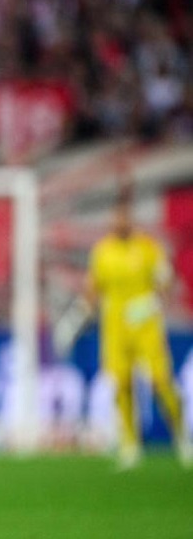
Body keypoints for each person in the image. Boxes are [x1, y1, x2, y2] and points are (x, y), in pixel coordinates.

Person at [85, 192, 192, 470]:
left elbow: (167, 281)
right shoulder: (103, 251)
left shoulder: (148, 248)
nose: (119, 221)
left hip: (146, 326)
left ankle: (181, 435)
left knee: (161, 381)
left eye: (124, 216)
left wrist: (154, 301)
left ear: (130, 219)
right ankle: (130, 445)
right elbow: (93, 288)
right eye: (116, 217)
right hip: (115, 328)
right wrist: (86, 309)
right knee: (121, 383)